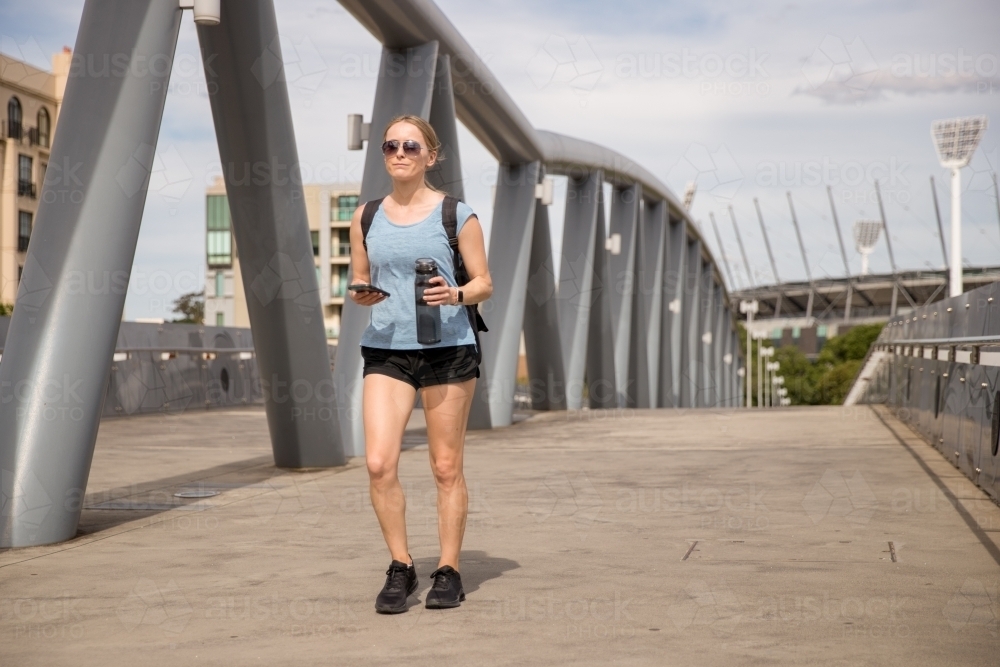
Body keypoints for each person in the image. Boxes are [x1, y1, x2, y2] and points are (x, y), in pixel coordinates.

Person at [348, 114, 492, 614]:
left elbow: (483, 283)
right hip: (387, 349)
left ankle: (448, 569)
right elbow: (361, 275)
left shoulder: (458, 215)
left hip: (448, 350)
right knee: (378, 462)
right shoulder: (365, 216)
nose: (399, 153)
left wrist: (455, 293)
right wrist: (362, 294)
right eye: (390, 146)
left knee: (445, 466)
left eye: (410, 145)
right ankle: (401, 566)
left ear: (430, 156)